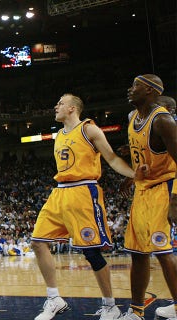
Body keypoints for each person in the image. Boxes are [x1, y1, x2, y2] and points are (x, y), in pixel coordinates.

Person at [29, 94, 139, 320]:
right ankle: (54, 299)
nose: (55, 106)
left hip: (84, 191)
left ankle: (110, 306)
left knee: (91, 252)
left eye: (60, 103)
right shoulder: (59, 134)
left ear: (72, 108)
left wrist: (135, 175)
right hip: (59, 191)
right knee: (38, 242)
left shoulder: (89, 130)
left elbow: (112, 159)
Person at [119, 75, 177, 320]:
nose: (130, 89)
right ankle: (136, 311)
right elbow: (142, 156)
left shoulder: (163, 120)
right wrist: (131, 176)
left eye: (136, 86)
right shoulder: (133, 118)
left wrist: (175, 200)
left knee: (163, 253)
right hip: (142, 191)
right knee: (138, 253)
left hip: (163, 190)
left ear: (151, 91)